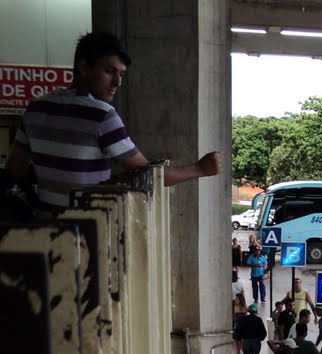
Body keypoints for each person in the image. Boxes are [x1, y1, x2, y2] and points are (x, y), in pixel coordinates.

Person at [7, 32, 221, 211]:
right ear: (83, 66)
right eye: (109, 71)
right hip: (85, 231)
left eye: (121, 74)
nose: (117, 82)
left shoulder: (36, 107)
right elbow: (147, 174)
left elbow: (15, 170)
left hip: (43, 228)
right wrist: (200, 169)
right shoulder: (101, 115)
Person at [231, 269, 248, 354]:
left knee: (241, 347)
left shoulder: (239, 308)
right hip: (238, 329)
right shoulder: (239, 307)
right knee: (239, 347)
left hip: (240, 329)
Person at [247, 236, 268, 304]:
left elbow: (265, 264)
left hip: (260, 274)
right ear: (255, 251)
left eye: (259, 250)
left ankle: (263, 298)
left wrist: (264, 267)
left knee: (262, 286)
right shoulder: (251, 257)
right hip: (254, 275)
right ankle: (255, 298)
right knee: (254, 287)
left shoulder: (262, 257)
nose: (258, 252)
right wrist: (254, 265)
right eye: (256, 250)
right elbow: (248, 264)